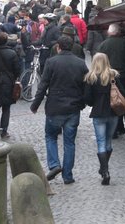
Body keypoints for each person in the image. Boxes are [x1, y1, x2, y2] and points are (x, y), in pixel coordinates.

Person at [30, 36, 88, 185]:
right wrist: (83, 103)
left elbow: (43, 85)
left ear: (58, 47)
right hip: (73, 107)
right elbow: (86, 87)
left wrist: (35, 104)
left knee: (51, 137)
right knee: (69, 142)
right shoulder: (81, 63)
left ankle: (54, 165)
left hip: (55, 106)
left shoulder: (51, 62)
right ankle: (68, 175)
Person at [98, 23, 125, 138]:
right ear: (119, 32)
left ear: (109, 32)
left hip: (108, 79)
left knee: (113, 104)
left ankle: (115, 130)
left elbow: (99, 64)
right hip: (124, 78)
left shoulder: (102, 45)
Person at [84, 53, 122, 185]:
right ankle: (104, 168)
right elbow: (122, 92)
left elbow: (87, 98)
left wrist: (94, 102)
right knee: (108, 141)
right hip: (113, 112)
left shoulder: (91, 77)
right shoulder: (114, 75)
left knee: (100, 142)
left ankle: (105, 171)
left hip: (98, 113)